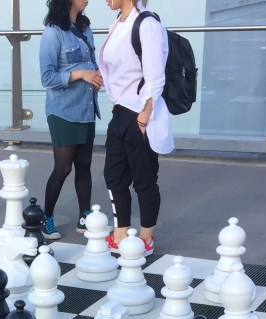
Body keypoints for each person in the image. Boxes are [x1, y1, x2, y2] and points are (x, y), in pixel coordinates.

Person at [97, 0, 173, 255]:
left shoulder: (147, 24)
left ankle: (146, 237)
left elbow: (155, 76)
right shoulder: (118, 23)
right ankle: (121, 231)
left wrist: (144, 117)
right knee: (114, 174)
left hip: (140, 114)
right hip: (120, 111)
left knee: (144, 178)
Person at [39, 0, 103, 242]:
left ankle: (84, 216)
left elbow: (91, 63)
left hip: (86, 108)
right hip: (63, 111)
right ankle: (46, 216)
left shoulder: (85, 28)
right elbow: (47, 77)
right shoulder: (53, 32)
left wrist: (97, 74)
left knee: (84, 164)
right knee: (63, 167)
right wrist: (80, 74)